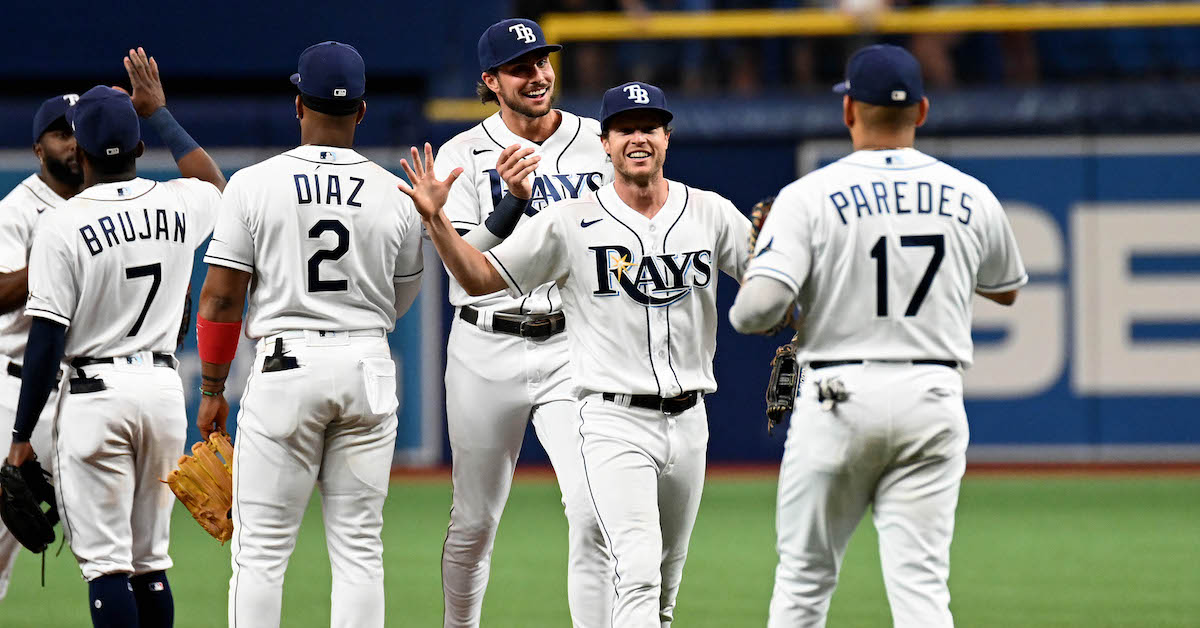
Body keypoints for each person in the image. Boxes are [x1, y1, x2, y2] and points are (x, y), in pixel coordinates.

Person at [403, 80, 751, 628]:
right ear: (606, 141)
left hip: (598, 364)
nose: (638, 138)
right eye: (626, 129)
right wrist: (439, 220)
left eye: (649, 127)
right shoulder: (562, 215)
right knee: (477, 522)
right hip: (510, 355)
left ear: (668, 136)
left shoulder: (705, 211)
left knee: (634, 561)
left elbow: (769, 288)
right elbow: (474, 276)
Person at [729, 44, 1026, 627]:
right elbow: (1007, 287)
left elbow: (754, 312)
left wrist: (771, 265)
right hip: (931, 397)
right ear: (922, 110)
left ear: (848, 112)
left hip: (839, 395)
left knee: (803, 583)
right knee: (921, 589)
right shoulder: (969, 194)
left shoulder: (809, 196)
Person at [194, 41, 423, 628]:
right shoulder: (396, 193)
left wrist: (213, 389)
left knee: (261, 553)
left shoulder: (253, 183)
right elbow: (403, 296)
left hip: (285, 367)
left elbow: (221, 296)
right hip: (368, 366)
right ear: (363, 111)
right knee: (359, 550)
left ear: (298, 103)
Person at [4, 47, 226, 628]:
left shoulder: (59, 223)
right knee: (150, 561)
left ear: (77, 151)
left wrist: (23, 435)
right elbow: (214, 185)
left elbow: (47, 338)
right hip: (160, 391)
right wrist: (160, 112)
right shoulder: (179, 202)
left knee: (106, 567)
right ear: (138, 148)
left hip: (94, 395)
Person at [434, 18, 613, 628]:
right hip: (487, 346)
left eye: (542, 61)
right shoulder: (462, 155)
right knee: (474, 521)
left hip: (572, 345)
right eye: (520, 67)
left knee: (593, 514)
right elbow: (465, 269)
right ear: (491, 81)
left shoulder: (600, 142)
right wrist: (509, 204)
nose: (537, 75)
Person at [0, 93, 85, 602]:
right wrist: (59, 261)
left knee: (114, 551)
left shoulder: (104, 202)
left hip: (89, 391)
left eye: (80, 131)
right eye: (61, 134)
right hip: (15, 389)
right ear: (38, 148)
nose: (74, 144)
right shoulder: (17, 211)